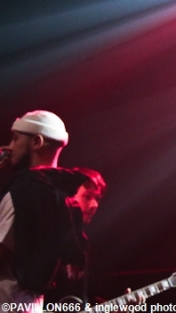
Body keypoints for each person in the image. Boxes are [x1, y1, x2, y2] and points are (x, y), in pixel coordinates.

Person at [0, 110, 87, 311]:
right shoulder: (65, 196)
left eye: (15, 139)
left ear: (36, 142)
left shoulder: (23, 192)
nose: (9, 147)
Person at [44, 168, 106, 305]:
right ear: (69, 197)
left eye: (97, 199)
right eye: (87, 197)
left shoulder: (85, 245)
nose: (95, 205)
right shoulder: (48, 235)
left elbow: (88, 297)